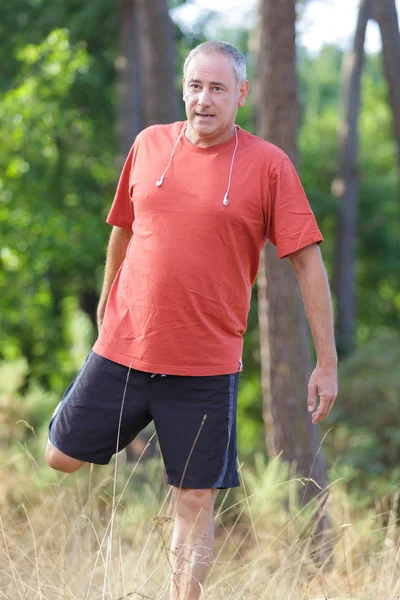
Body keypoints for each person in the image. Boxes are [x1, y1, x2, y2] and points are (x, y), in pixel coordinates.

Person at [45, 41, 338, 600]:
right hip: (124, 348)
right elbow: (122, 230)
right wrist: (108, 303)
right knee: (60, 457)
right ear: (184, 88)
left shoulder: (269, 165)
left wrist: (325, 362)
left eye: (218, 88)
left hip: (205, 365)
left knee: (194, 497)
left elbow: (308, 261)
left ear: (241, 95)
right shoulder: (149, 144)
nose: (204, 100)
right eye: (196, 86)